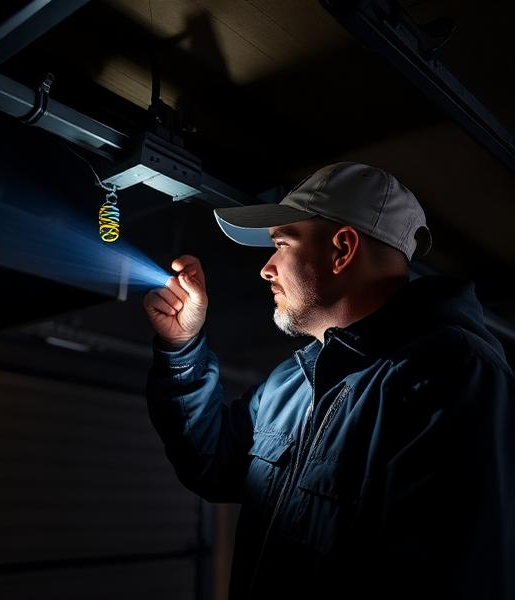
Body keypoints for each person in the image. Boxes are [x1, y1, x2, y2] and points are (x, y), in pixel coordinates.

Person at [143, 162, 514, 599]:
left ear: (342, 248)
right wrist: (183, 348)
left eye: (281, 244)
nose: (266, 268)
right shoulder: (294, 379)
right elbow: (213, 467)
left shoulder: (453, 376)